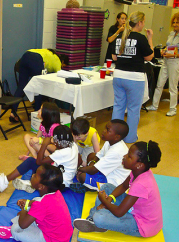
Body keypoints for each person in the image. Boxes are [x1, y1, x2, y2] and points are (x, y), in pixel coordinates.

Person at [73, 140, 162, 238]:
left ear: (139, 165)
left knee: (100, 217)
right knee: (106, 187)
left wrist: (104, 201)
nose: (124, 156)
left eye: (129, 156)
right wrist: (109, 198)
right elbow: (123, 186)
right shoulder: (138, 171)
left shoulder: (141, 184)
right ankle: (94, 219)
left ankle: (97, 220)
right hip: (134, 209)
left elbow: (119, 212)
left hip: (142, 225)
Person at [0, 164, 73, 242]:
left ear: (41, 187)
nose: (32, 175)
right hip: (62, 234)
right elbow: (42, 204)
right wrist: (28, 203)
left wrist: (23, 209)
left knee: (15, 230)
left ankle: (12, 233)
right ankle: (24, 216)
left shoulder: (41, 204)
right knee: (35, 200)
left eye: (35, 176)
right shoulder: (56, 193)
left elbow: (23, 225)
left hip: (52, 239)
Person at [0, 125, 78, 193]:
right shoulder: (73, 145)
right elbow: (79, 159)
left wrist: (44, 144)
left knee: (33, 162)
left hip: (59, 184)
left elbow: (39, 161)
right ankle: (28, 183)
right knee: (39, 167)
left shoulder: (61, 153)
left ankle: (11, 182)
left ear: (58, 141)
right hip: (63, 180)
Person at [112, 11, 154, 143]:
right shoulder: (141, 38)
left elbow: (114, 57)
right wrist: (150, 39)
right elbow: (149, 57)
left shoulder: (121, 36)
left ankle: (114, 136)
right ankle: (130, 137)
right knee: (133, 109)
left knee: (118, 106)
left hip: (118, 76)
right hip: (134, 78)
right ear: (140, 23)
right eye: (143, 22)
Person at [70, 119, 130, 193]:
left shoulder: (116, 152)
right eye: (105, 128)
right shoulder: (109, 142)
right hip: (106, 171)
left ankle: (92, 188)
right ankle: (90, 182)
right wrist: (91, 164)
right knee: (91, 156)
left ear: (116, 137)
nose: (104, 131)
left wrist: (80, 170)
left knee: (83, 176)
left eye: (108, 130)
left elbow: (93, 170)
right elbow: (98, 155)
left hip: (112, 182)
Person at [9, 49, 69, 122]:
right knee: (39, 87)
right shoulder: (57, 61)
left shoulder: (48, 53)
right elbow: (59, 76)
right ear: (62, 62)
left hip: (25, 55)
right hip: (36, 59)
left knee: (21, 86)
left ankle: (13, 113)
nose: (62, 66)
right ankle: (37, 114)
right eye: (63, 65)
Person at [147, 13, 179, 117]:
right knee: (159, 84)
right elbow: (168, 46)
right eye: (173, 22)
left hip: (175, 62)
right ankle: (154, 105)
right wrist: (164, 51)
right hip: (165, 61)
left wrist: (173, 55)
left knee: (173, 87)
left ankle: (173, 109)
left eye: (177, 22)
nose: (175, 24)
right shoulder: (171, 34)